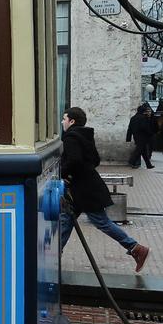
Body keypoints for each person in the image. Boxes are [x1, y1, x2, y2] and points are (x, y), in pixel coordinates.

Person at [60, 107, 150, 271]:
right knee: (66, 219)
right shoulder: (85, 135)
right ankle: (53, 254)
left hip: (85, 190)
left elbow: (74, 160)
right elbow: (95, 160)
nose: (62, 122)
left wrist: (63, 173)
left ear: (72, 121)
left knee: (102, 222)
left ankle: (135, 247)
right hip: (84, 187)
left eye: (64, 119)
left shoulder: (70, 137)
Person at [125, 104, 157, 169]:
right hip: (143, 137)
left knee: (144, 151)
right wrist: (150, 133)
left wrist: (128, 138)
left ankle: (148, 165)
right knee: (139, 150)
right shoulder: (143, 118)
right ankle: (131, 161)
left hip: (136, 136)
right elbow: (145, 127)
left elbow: (129, 128)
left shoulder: (133, 118)